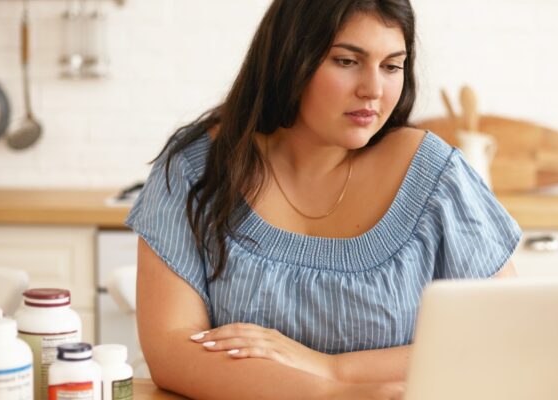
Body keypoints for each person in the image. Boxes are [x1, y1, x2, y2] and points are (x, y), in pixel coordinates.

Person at [126, 0, 521, 398]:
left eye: (391, 66)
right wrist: (332, 395)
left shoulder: (435, 174)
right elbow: (172, 349)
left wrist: (333, 369)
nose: (373, 90)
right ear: (290, 57)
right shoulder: (197, 169)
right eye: (347, 61)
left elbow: (506, 337)